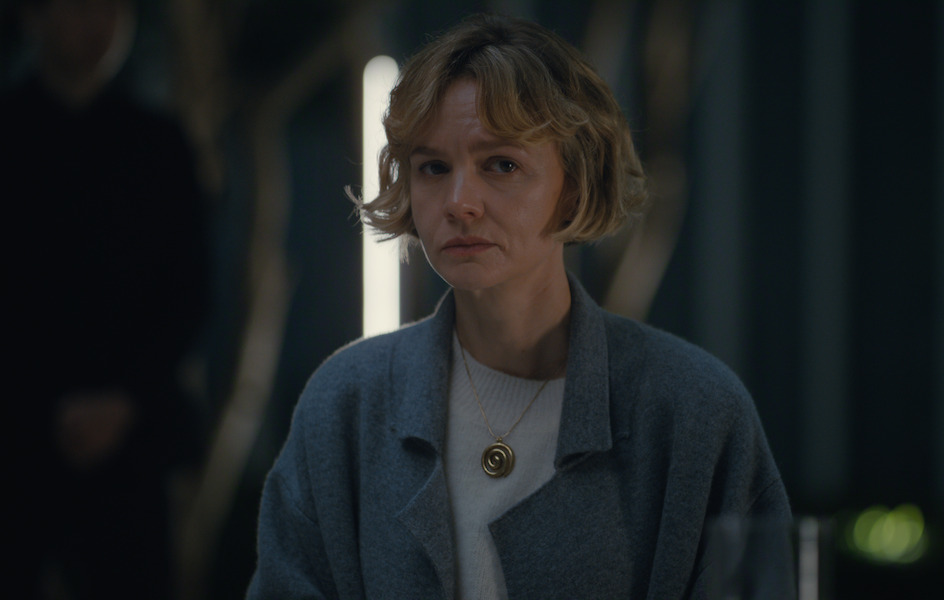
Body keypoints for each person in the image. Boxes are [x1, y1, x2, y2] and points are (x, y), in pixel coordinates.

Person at [248, 13, 790, 599]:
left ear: (575, 186)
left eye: (501, 165)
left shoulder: (692, 411)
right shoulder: (345, 404)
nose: (459, 203)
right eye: (433, 167)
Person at [3, 0, 209, 597]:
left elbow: (188, 292)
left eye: (114, 9)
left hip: (130, 437)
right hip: (15, 435)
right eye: (79, 8)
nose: (99, 24)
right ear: (35, 17)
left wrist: (122, 400)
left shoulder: (159, 144)